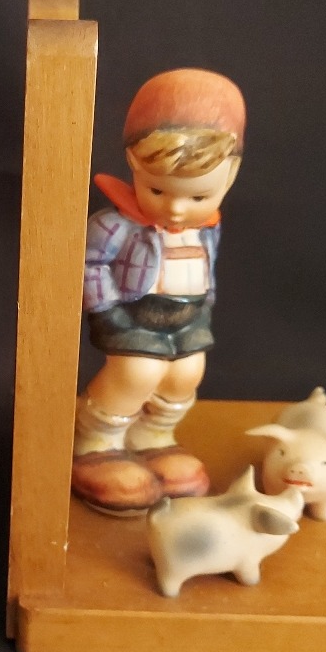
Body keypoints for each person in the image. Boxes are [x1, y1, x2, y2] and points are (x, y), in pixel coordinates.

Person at [72, 69, 246, 515]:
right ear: (133, 164)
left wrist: (205, 306)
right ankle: (97, 442)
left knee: (187, 373)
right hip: (134, 313)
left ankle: (154, 437)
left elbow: (207, 268)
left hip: (188, 315)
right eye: (157, 189)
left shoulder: (207, 228)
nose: (176, 208)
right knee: (136, 373)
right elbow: (90, 265)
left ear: (230, 176)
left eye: (198, 196)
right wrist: (107, 311)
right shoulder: (116, 225)